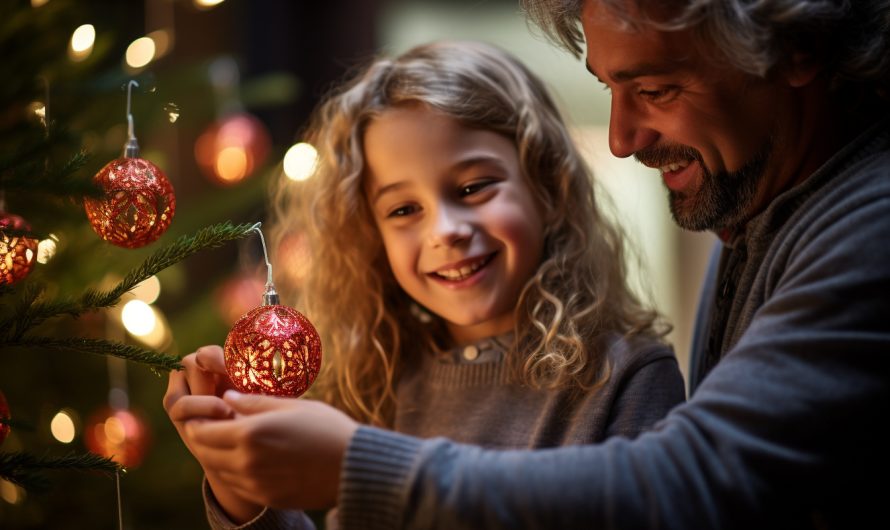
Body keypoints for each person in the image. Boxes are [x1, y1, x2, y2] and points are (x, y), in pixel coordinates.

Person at [164, 40, 687, 528]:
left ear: (548, 186)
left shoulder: (626, 378)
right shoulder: (380, 380)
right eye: (404, 209)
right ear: (371, 236)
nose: (445, 231)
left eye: (473, 187)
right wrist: (241, 489)